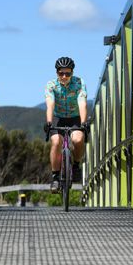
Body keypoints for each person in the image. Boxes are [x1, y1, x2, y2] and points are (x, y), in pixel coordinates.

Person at [44, 56, 88, 193]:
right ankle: (55, 176)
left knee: (78, 139)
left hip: (75, 117)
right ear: (57, 73)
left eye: (67, 73)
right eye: (61, 73)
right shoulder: (51, 85)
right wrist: (49, 122)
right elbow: (50, 103)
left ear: (72, 73)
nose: (64, 76)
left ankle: (75, 165)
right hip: (58, 117)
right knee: (56, 141)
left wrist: (83, 122)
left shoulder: (79, 83)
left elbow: (82, 102)